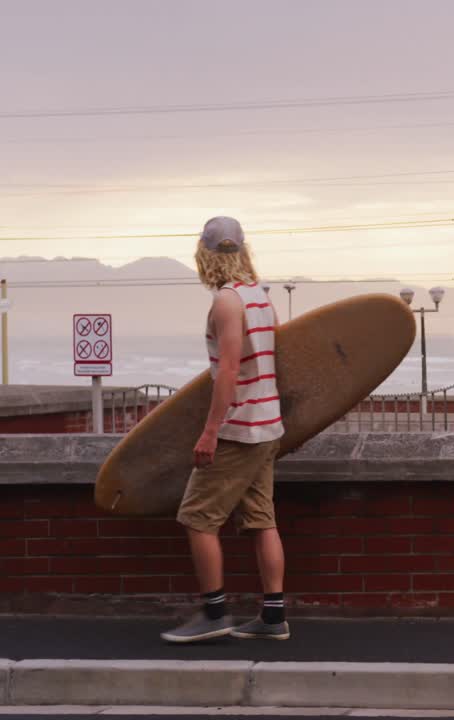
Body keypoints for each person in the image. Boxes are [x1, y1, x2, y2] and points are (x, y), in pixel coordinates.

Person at [161, 216, 289, 643]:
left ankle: (214, 614)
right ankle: (273, 618)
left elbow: (230, 370)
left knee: (198, 518)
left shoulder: (227, 303)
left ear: (204, 254)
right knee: (261, 519)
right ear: (244, 251)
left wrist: (211, 431)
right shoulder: (260, 296)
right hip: (269, 425)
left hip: (240, 428)